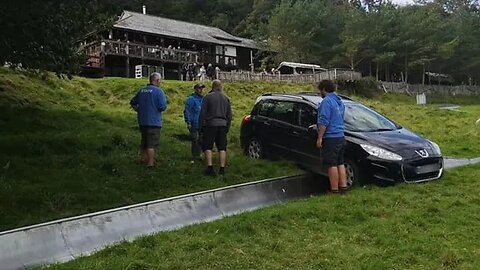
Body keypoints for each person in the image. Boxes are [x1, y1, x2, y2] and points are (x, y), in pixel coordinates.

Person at [315, 79, 347, 193]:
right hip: (341, 136)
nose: (320, 93)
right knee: (340, 162)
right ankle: (343, 187)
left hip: (331, 137)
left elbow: (324, 121)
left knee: (331, 164)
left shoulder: (327, 101)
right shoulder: (339, 101)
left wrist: (319, 138)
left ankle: (334, 190)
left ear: (324, 89)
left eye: (320, 90)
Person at [130, 72, 167, 167]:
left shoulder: (142, 90)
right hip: (154, 121)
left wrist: (137, 109)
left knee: (144, 141)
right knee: (152, 144)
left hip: (142, 120)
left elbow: (133, 102)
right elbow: (162, 106)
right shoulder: (159, 91)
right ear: (157, 80)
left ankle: (142, 159)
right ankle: (150, 163)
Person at [199, 80, 232, 176]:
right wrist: (227, 127)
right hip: (222, 125)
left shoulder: (207, 97)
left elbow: (202, 113)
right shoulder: (226, 99)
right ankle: (222, 169)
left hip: (211, 124)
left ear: (212, 87)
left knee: (208, 146)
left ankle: (210, 168)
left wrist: (201, 126)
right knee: (222, 147)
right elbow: (229, 115)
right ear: (220, 87)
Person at [184, 83, 205, 162]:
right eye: (199, 88)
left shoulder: (204, 99)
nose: (201, 90)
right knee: (195, 140)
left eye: (202, 88)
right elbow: (187, 111)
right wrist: (188, 122)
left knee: (201, 140)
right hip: (194, 123)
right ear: (195, 89)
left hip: (202, 124)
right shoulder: (191, 99)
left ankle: (200, 154)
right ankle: (195, 156)